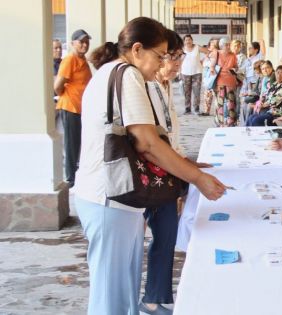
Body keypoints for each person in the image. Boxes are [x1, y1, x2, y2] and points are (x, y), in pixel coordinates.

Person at [76, 17, 226, 314]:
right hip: (108, 199)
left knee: (123, 292)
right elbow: (147, 142)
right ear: (137, 49)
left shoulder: (111, 72)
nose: (161, 64)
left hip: (118, 201)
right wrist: (196, 178)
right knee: (111, 299)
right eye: (159, 56)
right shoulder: (127, 74)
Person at [139, 30, 192, 315]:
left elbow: (172, 134)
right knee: (163, 234)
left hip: (170, 167)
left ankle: (158, 296)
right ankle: (151, 299)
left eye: (178, 56)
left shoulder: (164, 86)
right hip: (158, 172)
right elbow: (153, 141)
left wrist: (186, 162)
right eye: (170, 56)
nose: (175, 63)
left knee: (166, 234)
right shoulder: (148, 89)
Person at [54, 29, 92, 187]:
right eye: (81, 42)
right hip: (70, 107)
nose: (84, 45)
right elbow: (58, 86)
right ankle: (71, 178)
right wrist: (67, 95)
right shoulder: (70, 60)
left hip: (80, 108)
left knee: (78, 142)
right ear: (72, 43)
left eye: (86, 42)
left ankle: (77, 174)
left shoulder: (82, 61)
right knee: (71, 144)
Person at [210, 37, 238, 127]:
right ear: (221, 46)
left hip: (231, 81)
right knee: (220, 103)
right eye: (226, 45)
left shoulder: (233, 55)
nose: (228, 46)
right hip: (220, 81)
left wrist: (234, 69)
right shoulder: (216, 53)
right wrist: (212, 70)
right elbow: (212, 66)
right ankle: (220, 122)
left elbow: (236, 67)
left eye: (229, 44)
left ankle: (231, 121)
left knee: (231, 103)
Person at [181, 34, 207, 115]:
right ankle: (187, 109)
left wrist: (203, 61)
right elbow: (179, 60)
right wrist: (178, 71)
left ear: (192, 40)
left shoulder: (197, 47)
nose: (188, 41)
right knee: (186, 92)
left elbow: (208, 52)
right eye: (186, 40)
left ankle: (196, 109)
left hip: (197, 73)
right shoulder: (182, 49)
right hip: (185, 73)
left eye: (189, 39)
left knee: (196, 91)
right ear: (184, 41)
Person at [200, 39, 219, 115]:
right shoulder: (210, 53)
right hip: (208, 73)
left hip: (211, 73)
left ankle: (208, 110)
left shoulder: (215, 52)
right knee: (209, 93)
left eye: (211, 45)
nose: (210, 46)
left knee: (210, 92)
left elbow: (212, 62)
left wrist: (211, 67)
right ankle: (208, 110)